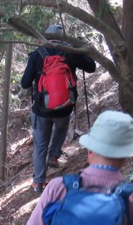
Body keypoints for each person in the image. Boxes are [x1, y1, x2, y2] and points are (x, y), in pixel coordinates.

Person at [21, 24, 96, 193]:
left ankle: (38, 182)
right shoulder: (69, 51)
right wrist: (79, 48)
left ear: (46, 37)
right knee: (61, 129)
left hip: (42, 109)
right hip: (65, 106)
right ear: (64, 38)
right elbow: (91, 67)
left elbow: (25, 83)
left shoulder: (37, 54)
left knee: (40, 145)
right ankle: (54, 155)